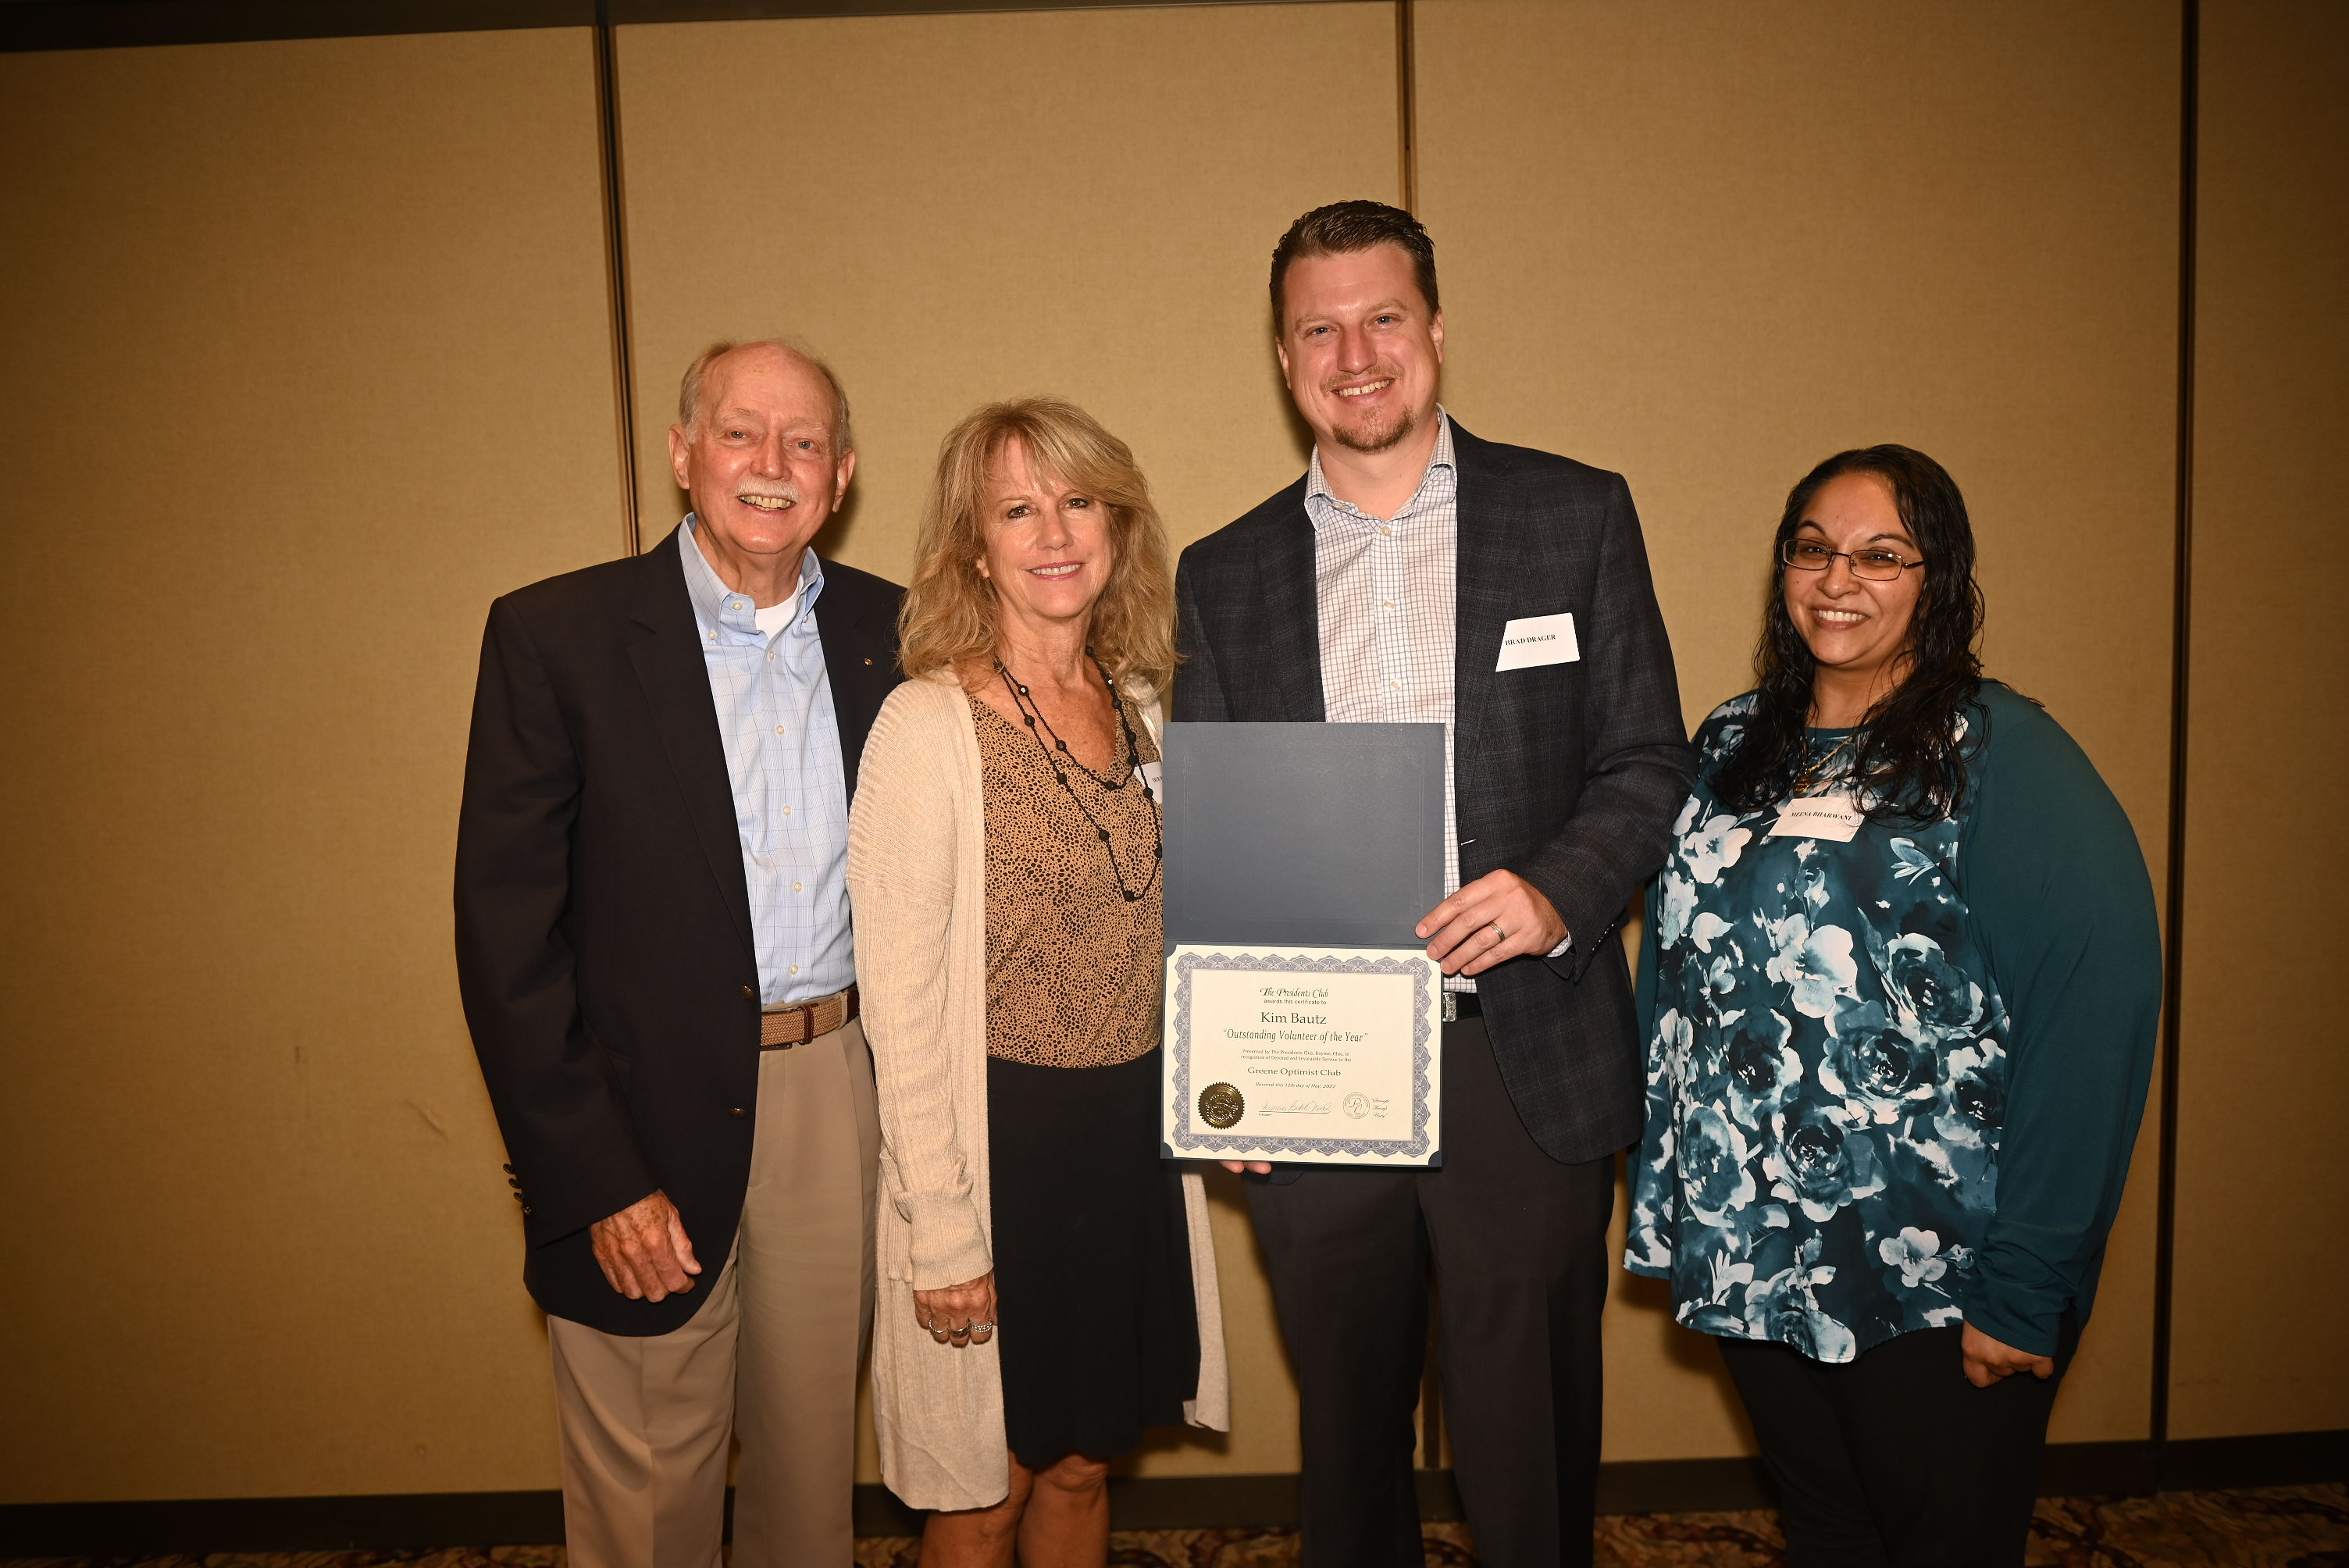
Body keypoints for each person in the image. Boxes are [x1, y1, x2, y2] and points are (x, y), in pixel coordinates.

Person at [1173, 200, 1695, 1568]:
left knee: (1526, 1447)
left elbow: (1649, 763)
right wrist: (1225, 1068)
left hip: (1522, 1052)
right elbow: (1220, 840)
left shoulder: (1573, 515)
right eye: (1320, 330)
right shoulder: (1224, 574)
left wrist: (1554, 893)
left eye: (1383, 318)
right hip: (1314, 1069)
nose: (1355, 356)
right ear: (1284, 359)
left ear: (1438, 330)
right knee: (1348, 1440)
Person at [1625, 444, 2160, 1564]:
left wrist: (2028, 1283)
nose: (1838, 580)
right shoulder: (1731, 744)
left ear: (1939, 578)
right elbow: (1675, 977)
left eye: (1882, 556)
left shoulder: (2000, 753)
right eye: (1813, 548)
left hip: (1932, 1267)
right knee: (1829, 1531)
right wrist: (1666, 1186)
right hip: (1753, 1245)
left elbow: (2093, 1015)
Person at [454, 339, 900, 1566]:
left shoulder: (898, 633)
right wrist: (593, 1174)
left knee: (810, 1484)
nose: (771, 464)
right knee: (650, 1496)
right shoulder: (558, 636)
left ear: (842, 474)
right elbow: (506, 940)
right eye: (740, 432)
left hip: (834, 1094)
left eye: (804, 442)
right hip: (633, 1113)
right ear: (682, 453)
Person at [847, 397, 1230, 1565]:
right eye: (1017, 510)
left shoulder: (1144, 708)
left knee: (1082, 1463)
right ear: (975, 547)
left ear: (1118, 527)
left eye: (1077, 502)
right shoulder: (926, 726)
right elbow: (900, 1008)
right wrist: (942, 1229)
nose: (1054, 533)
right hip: (997, 1149)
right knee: (984, 1490)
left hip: (1126, 1148)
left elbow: (1181, 934)